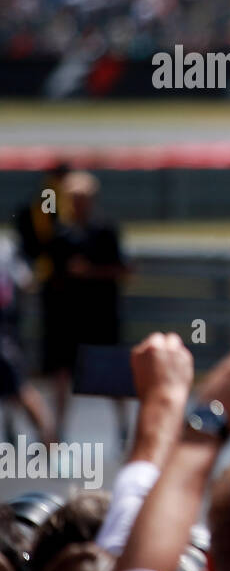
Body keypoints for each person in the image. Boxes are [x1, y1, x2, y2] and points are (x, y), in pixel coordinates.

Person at [42, 172, 129, 443]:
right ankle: (59, 428)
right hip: (68, 316)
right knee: (62, 375)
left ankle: (124, 426)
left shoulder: (105, 231)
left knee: (112, 374)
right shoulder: (60, 235)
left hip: (99, 314)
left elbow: (122, 269)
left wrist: (90, 272)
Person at [0, 233, 53, 444]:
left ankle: (53, 447)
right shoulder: (6, 245)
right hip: (6, 329)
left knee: (20, 389)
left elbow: (25, 283)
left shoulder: (5, 247)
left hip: (3, 332)